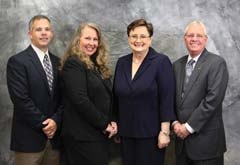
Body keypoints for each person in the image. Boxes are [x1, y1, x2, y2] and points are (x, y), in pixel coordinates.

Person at [113, 18, 176, 165]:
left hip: (151, 136)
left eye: (143, 36)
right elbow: (116, 97)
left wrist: (165, 132)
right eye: (134, 36)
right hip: (126, 134)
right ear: (129, 38)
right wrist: (115, 122)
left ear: (150, 39)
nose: (138, 40)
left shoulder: (161, 62)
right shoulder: (122, 63)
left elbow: (167, 99)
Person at [6, 15, 62, 165]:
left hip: (55, 140)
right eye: (38, 29)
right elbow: (20, 99)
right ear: (30, 34)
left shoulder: (59, 62)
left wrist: (56, 121)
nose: (44, 33)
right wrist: (45, 124)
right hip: (29, 141)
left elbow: (64, 98)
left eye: (47, 29)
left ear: (52, 33)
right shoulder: (18, 62)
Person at [60, 22, 117, 165]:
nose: (92, 43)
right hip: (82, 137)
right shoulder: (74, 63)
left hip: (97, 134)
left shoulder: (96, 64)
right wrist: (105, 124)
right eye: (87, 38)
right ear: (78, 40)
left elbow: (108, 97)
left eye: (95, 39)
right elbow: (80, 100)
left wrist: (113, 120)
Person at [173, 20, 229, 165]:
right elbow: (170, 98)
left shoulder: (216, 63)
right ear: (185, 39)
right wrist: (174, 123)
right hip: (181, 144)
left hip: (207, 145)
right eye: (190, 35)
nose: (194, 39)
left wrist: (188, 127)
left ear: (205, 39)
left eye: (199, 35)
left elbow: (213, 100)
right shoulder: (176, 65)